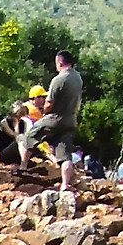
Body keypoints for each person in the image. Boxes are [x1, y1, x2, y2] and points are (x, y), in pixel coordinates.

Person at [21, 51, 82, 194]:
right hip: (70, 120)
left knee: (29, 136)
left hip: (55, 119)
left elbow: (49, 104)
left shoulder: (58, 80)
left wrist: (44, 112)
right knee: (65, 154)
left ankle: (22, 168)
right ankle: (65, 184)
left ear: (60, 63)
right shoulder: (77, 78)